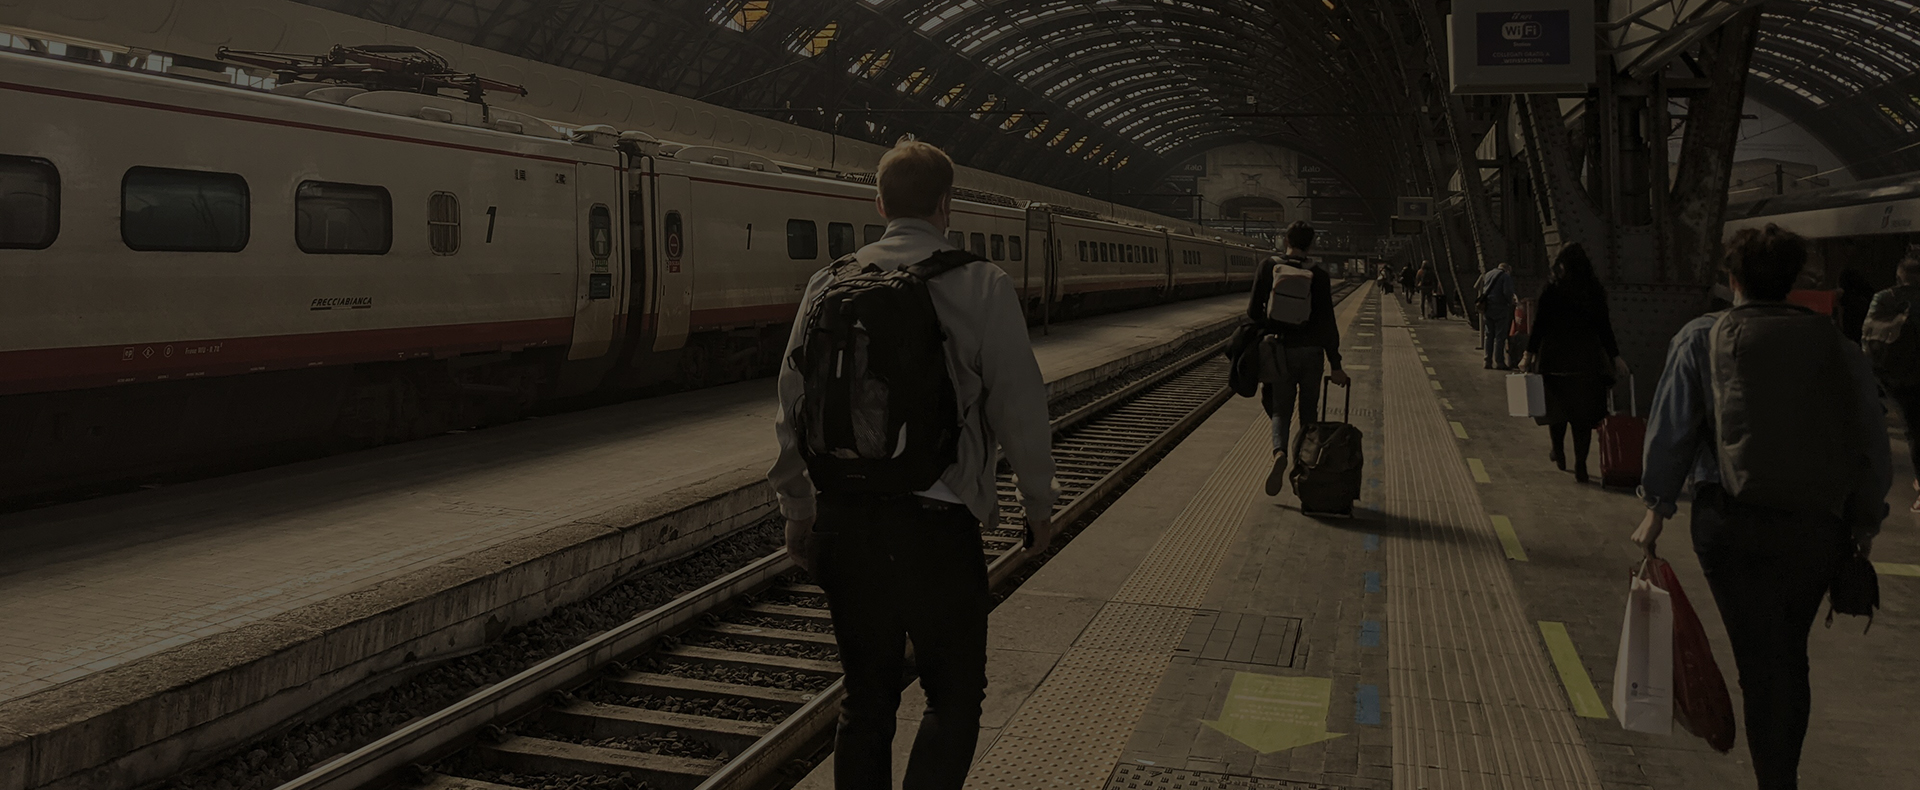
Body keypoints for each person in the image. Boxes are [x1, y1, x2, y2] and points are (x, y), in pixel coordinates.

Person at [768, 139, 1059, 790]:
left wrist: (797, 508)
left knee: (865, 701)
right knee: (953, 697)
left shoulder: (828, 282)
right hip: (937, 525)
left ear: (878, 203)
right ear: (945, 204)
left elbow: (792, 401)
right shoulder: (980, 282)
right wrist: (1037, 503)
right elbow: (1019, 405)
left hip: (844, 523)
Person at [1634, 225, 1889, 790]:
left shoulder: (1700, 336)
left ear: (1732, 279)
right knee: (1787, 653)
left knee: (1758, 657)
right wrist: (1865, 521)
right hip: (1816, 526)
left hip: (1730, 525)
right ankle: (1782, 776)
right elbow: (1870, 443)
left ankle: (1775, 780)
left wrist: (1656, 506)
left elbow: (1671, 431)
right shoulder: (1835, 346)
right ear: (1795, 280)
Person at [1248, 220, 1350, 495]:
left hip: (1280, 351)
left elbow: (1252, 312)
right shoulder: (1319, 273)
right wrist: (1336, 364)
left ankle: (1279, 453)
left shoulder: (1269, 266)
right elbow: (1328, 322)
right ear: (1311, 244)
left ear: (1285, 240)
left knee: (1280, 408)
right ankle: (1305, 465)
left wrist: (1270, 327)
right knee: (1308, 412)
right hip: (1313, 353)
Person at [1520, 244, 1626, 483]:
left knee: (1557, 413)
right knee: (1581, 418)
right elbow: (1604, 327)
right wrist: (1615, 356)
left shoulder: (1551, 289)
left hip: (1553, 362)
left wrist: (1528, 354)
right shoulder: (1594, 291)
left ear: (1562, 264)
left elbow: (1539, 326)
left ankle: (1558, 452)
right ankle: (1580, 465)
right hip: (1586, 364)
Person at [1865, 256, 1920, 512]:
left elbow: (1868, 335)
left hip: (1898, 376)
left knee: (1913, 429)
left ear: (1899, 276)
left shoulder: (1884, 298)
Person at [1475, 263, 1516, 368]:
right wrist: (1510, 302)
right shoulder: (1505, 276)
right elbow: (1507, 292)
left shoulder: (1488, 274)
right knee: (1500, 336)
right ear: (1507, 269)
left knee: (1489, 335)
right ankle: (1499, 362)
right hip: (1500, 309)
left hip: (1488, 308)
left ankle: (1487, 361)